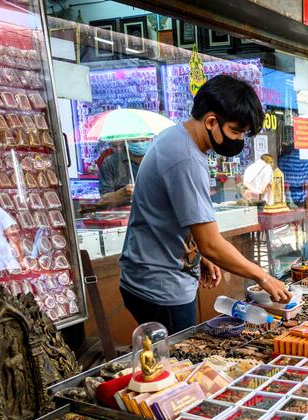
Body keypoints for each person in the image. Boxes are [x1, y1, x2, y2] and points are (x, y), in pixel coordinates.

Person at [119, 75, 290, 335]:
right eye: (235, 131)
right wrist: (263, 277)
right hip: (159, 286)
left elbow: (179, 218)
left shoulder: (177, 138)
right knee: (179, 363)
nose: (238, 140)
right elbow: (211, 242)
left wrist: (196, 253)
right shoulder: (185, 158)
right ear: (211, 121)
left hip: (154, 275)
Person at [98, 139, 150, 207]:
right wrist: (122, 194)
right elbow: (104, 200)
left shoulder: (158, 159)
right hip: (125, 213)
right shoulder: (110, 162)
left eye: (143, 140)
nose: (139, 144)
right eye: (135, 141)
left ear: (149, 139)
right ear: (127, 141)